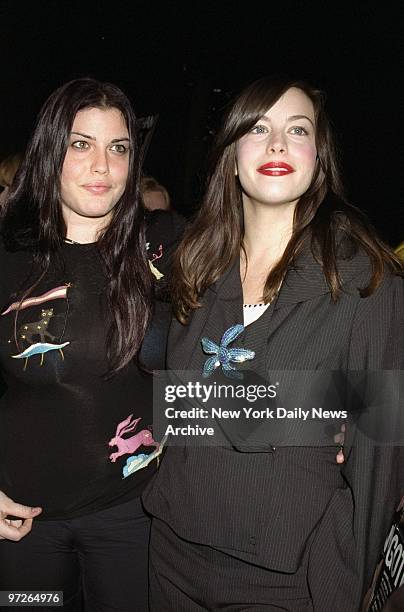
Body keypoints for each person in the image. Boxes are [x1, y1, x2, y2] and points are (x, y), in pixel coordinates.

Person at [143, 76, 404, 610]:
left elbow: (379, 456)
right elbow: (179, 403)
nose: (278, 144)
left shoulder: (367, 280)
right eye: (258, 128)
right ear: (231, 154)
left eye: (297, 129)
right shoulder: (195, 265)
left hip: (289, 574)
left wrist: (341, 574)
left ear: (319, 155)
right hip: (172, 551)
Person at [0, 78, 169, 611]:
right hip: (23, 521)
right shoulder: (7, 256)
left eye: (118, 148)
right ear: (51, 152)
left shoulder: (167, 245)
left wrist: (337, 414)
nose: (102, 165)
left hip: (131, 515)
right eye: (81, 144)